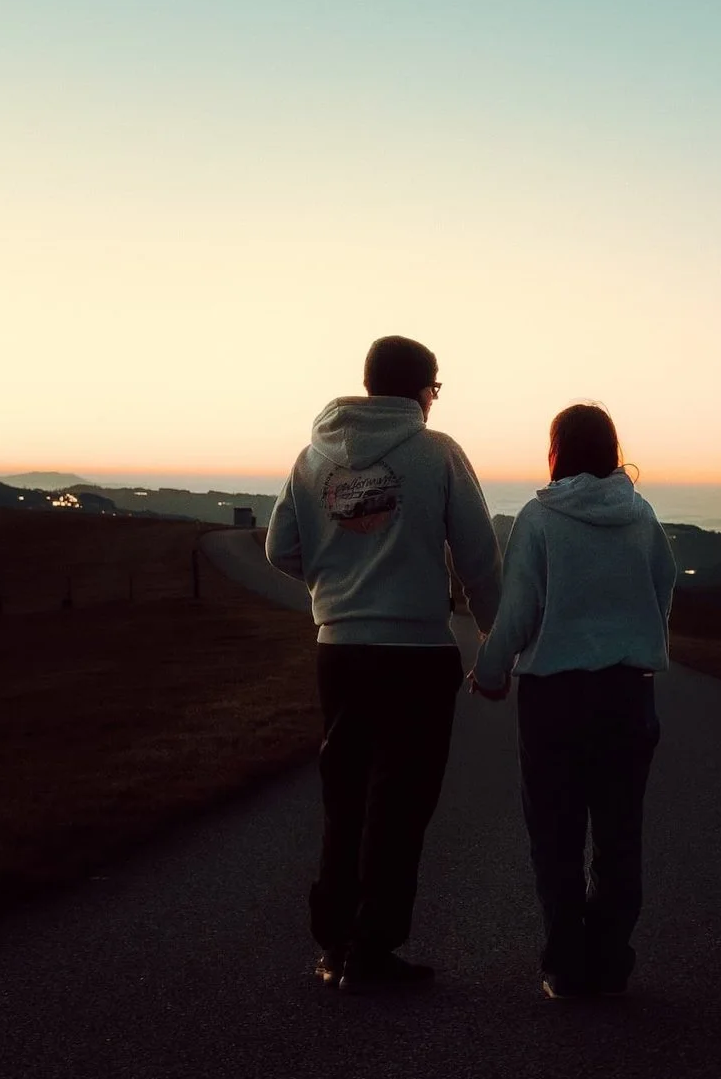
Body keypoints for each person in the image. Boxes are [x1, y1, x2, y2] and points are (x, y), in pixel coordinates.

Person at [268, 335, 502, 994]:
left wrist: (337, 586)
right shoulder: (437, 452)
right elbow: (479, 557)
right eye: (436, 387)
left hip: (339, 651)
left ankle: (334, 943)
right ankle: (371, 949)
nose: (435, 399)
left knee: (344, 795)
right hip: (417, 653)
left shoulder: (313, 457)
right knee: (400, 803)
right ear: (422, 389)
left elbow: (280, 548)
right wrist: (495, 636)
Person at [469, 403, 677, 1000]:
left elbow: (518, 610)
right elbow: (663, 589)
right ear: (613, 452)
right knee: (619, 835)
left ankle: (564, 964)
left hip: (554, 700)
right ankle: (609, 962)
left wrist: (491, 671)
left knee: (556, 835)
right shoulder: (641, 516)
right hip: (628, 694)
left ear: (555, 452)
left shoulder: (540, 518)